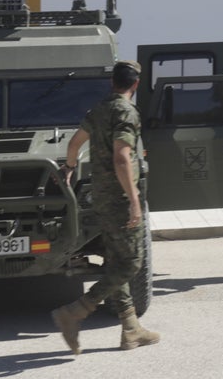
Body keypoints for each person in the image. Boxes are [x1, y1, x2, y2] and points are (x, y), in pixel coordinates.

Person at [50, 60, 159, 355]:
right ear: (135, 85)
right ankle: (76, 311)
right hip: (121, 200)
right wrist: (135, 200)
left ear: (113, 83)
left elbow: (74, 143)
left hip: (100, 198)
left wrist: (70, 167)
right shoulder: (126, 112)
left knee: (115, 263)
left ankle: (131, 329)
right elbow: (122, 158)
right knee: (131, 264)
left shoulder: (98, 109)